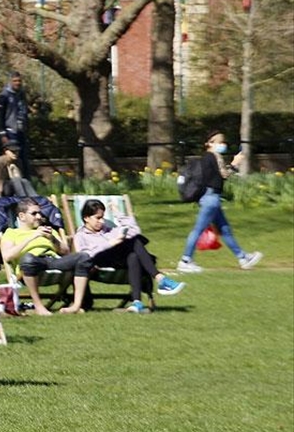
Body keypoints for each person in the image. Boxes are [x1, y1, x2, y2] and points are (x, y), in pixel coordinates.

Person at [73, 199, 186, 313]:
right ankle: (160, 278)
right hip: (99, 261)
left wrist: (118, 213)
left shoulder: (109, 230)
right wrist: (110, 243)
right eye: (98, 218)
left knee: (134, 253)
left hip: (117, 259)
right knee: (134, 243)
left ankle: (137, 302)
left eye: (102, 217)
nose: (102, 221)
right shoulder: (81, 236)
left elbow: (135, 230)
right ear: (86, 218)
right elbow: (83, 256)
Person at [177, 131, 263, 273]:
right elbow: (222, 176)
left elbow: (217, 177)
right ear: (209, 143)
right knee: (198, 230)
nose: (223, 145)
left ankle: (243, 258)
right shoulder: (212, 157)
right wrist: (235, 164)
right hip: (211, 198)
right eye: (219, 142)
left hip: (211, 198)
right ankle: (185, 260)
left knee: (225, 230)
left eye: (223, 142)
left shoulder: (210, 158)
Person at [0, 199, 90, 315]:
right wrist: (33, 236)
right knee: (28, 258)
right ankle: (38, 306)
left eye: (39, 213)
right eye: (34, 213)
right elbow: (7, 256)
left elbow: (65, 251)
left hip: (53, 261)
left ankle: (76, 306)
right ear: (22, 216)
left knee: (83, 257)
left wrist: (52, 238)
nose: (38, 216)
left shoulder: (48, 230)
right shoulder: (11, 233)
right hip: (30, 266)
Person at [0, 71, 31, 179]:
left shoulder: (21, 95)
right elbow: (0, 116)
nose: (17, 83)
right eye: (15, 81)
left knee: (24, 158)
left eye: (19, 81)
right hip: (10, 132)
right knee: (13, 158)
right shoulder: (4, 96)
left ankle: (26, 183)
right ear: (10, 82)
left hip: (21, 131)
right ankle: (14, 184)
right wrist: (2, 133)